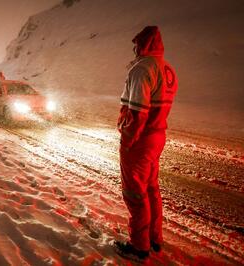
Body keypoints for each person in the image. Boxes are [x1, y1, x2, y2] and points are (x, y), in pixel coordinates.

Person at [114, 26, 178, 262]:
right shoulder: (168, 69)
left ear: (144, 44)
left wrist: (129, 140)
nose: (135, 48)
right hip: (158, 135)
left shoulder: (142, 69)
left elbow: (138, 112)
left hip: (140, 140)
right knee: (151, 188)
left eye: (137, 44)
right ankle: (154, 239)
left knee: (134, 193)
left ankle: (139, 247)